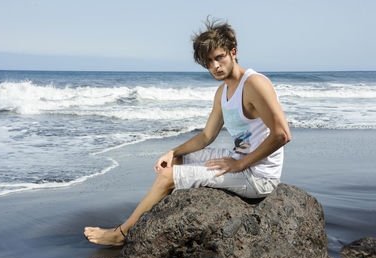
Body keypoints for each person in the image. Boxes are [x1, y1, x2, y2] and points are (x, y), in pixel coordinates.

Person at [84, 19, 291, 246]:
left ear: (233, 52)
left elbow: (282, 134)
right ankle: (160, 220)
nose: (215, 66)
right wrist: (172, 152)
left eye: (219, 57)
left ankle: (120, 235)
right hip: (240, 158)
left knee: (166, 177)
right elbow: (206, 136)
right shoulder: (222, 92)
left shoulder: (254, 83)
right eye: (208, 62)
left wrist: (239, 165)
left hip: (258, 176)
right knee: (174, 163)